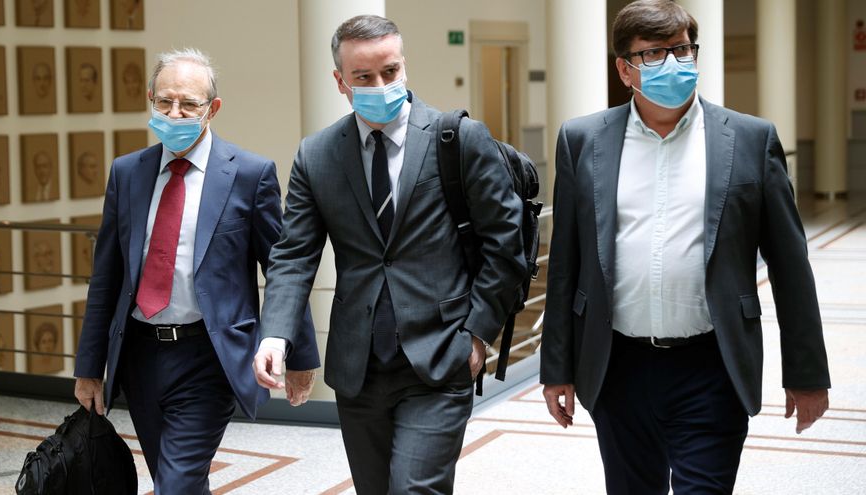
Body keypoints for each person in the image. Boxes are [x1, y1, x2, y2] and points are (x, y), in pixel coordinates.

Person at [540, 1, 831, 494]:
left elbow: (790, 264)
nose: (673, 63)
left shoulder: (749, 139)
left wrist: (807, 373)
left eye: (681, 49)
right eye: (654, 54)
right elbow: (567, 264)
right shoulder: (582, 140)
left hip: (712, 365)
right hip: (618, 367)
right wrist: (557, 369)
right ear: (624, 69)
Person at [255, 14, 526, 494]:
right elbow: (294, 254)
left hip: (441, 356)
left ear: (404, 66)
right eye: (364, 77)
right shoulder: (316, 156)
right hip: (359, 367)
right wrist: (275, 334)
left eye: (391, 71)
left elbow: (504, 245)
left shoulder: (457, 139)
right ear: (340, 82)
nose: (381, 85)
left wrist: (478, 334)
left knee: (415, 489)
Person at [73, 48, 320, 494]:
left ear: (213, 109)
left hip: (210, 356)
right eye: (164, 102)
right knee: (179, 481)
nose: (174, 113)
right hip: (140, 356)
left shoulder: (249, 173)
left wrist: (299, 355)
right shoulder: (127, 173)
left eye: (188, 104)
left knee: (176, 485)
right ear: (150, 98)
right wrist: (89, 366)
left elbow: (283, 267)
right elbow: (106, 276)